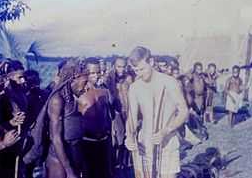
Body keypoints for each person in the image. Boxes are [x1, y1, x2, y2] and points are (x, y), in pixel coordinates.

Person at [125, 46, 189, 178]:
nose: (139, 74)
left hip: (167, 142)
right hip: (144, 143)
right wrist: (129, 137)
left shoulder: (170, 82)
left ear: (152, 62)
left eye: (142, 69)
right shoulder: (135, 88)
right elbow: (131, 118)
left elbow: (184, 112)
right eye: (135, 70)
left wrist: (165, 131)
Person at [77, 57, 114, 178]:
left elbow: (108, 116)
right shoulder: (78, 94)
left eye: (98, 72)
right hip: (87, 143)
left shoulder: (104, 91)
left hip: (104, 141)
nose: (96, 76)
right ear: (85, 73)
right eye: (93, 73)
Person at [106, 57, 133, 174]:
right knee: (118, 140)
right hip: (116, 113)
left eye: (123, 66)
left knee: (130, 137)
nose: (121, 69)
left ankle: (126, 163)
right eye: (119, 66)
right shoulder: (110, 79)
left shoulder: (129, 78)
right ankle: (117, 164)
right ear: (114, 67)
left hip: (128, 112)